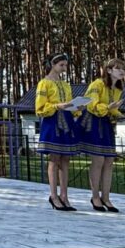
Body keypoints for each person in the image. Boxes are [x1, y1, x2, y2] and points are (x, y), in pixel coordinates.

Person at [79, 58, 125, 213]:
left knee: (109, 160)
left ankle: (106, 197)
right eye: (118, 68)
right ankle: (95, 197)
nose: (122, 71)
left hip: (106, 123)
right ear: (109, 70)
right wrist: (108, 107)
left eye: (123, 69)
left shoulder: (118, 88)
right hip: (93, 122)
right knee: (98, 159)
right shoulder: (97, 84)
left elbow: (112, 108)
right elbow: (91, 104)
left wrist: (119, 114)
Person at [35, 52, 81, 212]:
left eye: (66, 65)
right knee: (54, 158)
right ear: (53, 65)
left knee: (66, 158)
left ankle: (64, 196)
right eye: (61, 65)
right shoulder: (44, 83)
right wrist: (56, 106)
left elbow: (70, 104)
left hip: (67, 121)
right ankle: (53, 196)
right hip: (52, 120)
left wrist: (77, 108)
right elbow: (40, 108)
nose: (64, 68)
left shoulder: (66, 85)